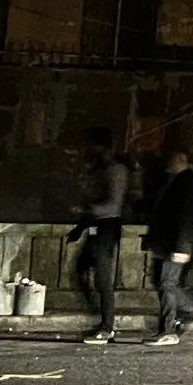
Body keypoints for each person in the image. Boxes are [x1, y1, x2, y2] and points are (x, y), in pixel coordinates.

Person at [145, 150, 193, 346]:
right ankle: (181, 318)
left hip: (175, 243)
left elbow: (186, 218)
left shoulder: (186, 184)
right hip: (168, 243)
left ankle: (172, 327)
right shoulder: (179, 181)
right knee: (163, 282)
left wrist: (182, 246)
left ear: (180, 161)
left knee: (167, 284)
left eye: (172, 161)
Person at [71, 127, 130, 345]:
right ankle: (101, 317)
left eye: (91, 146)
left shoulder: (116, 171)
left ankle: (107, 326)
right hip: (97, 226)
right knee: (82, 269)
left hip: (107, 227)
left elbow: (112, 205)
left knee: (103, 279)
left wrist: (86, 209)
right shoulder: (102, 169)